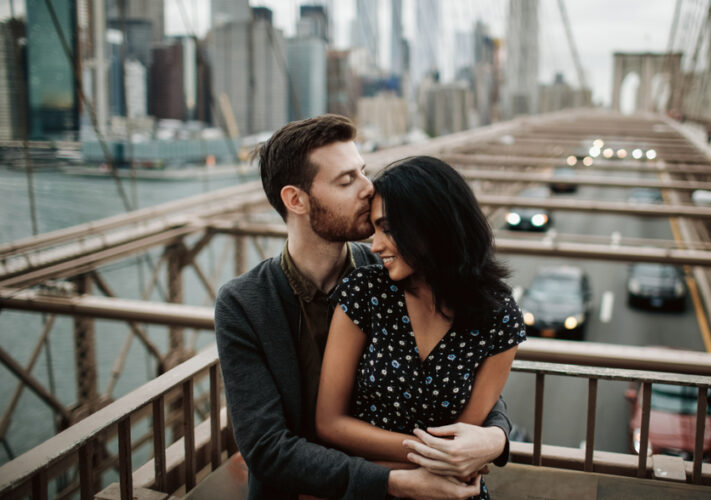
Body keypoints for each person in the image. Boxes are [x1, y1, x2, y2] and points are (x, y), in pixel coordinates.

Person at [215, 115, 512, 500]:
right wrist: (395, 482)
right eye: (346, 180)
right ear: (296, 200)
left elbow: (461, 362)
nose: (368, 188)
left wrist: (496, 437)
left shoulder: (393, 270)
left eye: (363, 172)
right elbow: (266, 449)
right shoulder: (244, 304)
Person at [315, 157, 526, 499]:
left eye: (387, 228)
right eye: (374, 229)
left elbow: (465, 445)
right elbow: (329, 423)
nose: (375, 246)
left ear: (432, 224)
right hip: (372, 488)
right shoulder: (365, 292)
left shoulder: (499, 318)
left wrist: (464, 453)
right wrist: (430, 456)